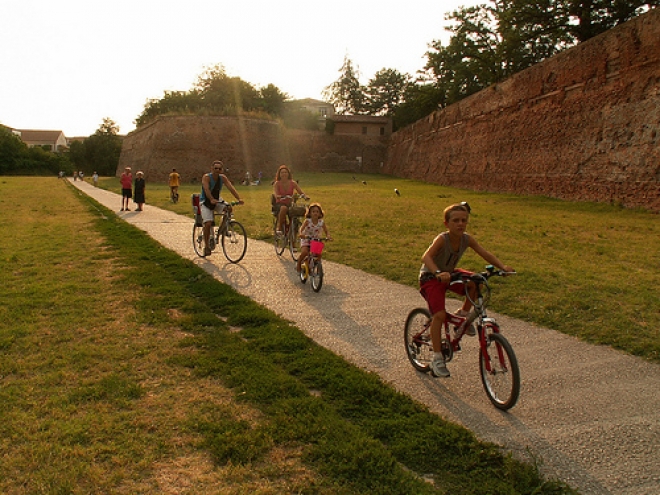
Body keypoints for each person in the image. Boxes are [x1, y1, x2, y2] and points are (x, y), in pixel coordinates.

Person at [419, 202, 514, 378]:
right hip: (431, 277)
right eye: (455, 220)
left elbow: (484, 253)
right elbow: (426, 257)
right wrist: (437, 272)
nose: (460, 224)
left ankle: (463, 314)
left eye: (464, 220)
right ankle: (437, 358)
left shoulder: (466, 239)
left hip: (450, 274)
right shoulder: (443, 239)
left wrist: (502, 267)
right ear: (447, 224)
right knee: (439, 315)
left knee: (476, 281)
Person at [200, 160, 244, 256]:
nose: (217, 170)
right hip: (206, 201)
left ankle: (220, 231)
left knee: (228, 208)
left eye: (219, 169)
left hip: (216, 200)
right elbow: (206, 189)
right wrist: (211, 199)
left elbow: (231, 188)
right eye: (215, 168)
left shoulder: (222, 178)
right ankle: (206, 246)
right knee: (208, 223)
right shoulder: (206, 177)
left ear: (222, 170)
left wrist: (238, 198)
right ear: (212, 168)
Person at [296, 203, 331, 274]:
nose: (315, 213)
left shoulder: (321, 222)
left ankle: (318, 267)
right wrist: (301, 234)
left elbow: (326, 231)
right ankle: (299, 264)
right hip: (306, 239)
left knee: (318, 255)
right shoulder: (307, 221)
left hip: (316, 240)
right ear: (310, 213)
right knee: (305, 252)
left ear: (320, 213)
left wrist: (328, 236)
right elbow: (301, 229)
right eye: (313, 211)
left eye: (317, 212)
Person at [273, 165, 306, 235]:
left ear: (288, 174)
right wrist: (278, 196)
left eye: (285, 172)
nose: (284, 174)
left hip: (290, 203)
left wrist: (305, 196)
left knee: (294, 217)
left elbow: (300, 192)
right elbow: (275, 194)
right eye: (282, 172)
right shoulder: (277, 183)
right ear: (279, 174)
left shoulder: (293, 183)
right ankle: (279, 228)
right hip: (280, 203)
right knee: (284, 208)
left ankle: (293, 239)